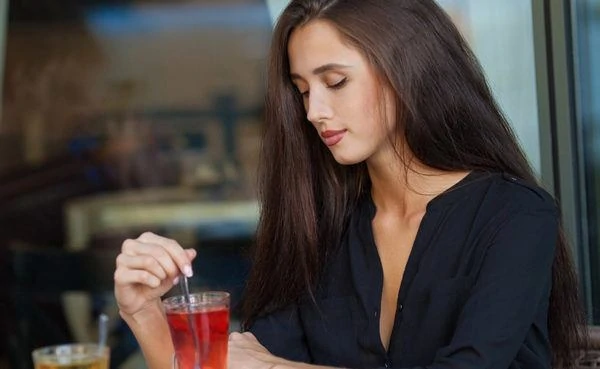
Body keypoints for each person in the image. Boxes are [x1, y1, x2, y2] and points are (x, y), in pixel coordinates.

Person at [113, 1, 588, 368]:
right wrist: (143, 313)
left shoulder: (515, 216)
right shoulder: (319, 224)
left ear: (408, 71)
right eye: (302, 90)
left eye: (335, 81)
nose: (313, 110)